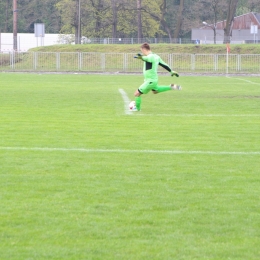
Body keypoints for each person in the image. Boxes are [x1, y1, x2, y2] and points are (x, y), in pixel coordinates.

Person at [133, 42, 181, 111]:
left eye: (141, 51)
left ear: (144, 49)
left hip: (150, 80)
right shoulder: (156, 56)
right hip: (153, 79)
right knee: (155, 91)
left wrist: (142, 58)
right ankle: (171, 87)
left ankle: (137, 109)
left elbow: (147, 59)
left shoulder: (150, 56)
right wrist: (171, 71)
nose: (142, 52)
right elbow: (164, 64)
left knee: (137, 93)